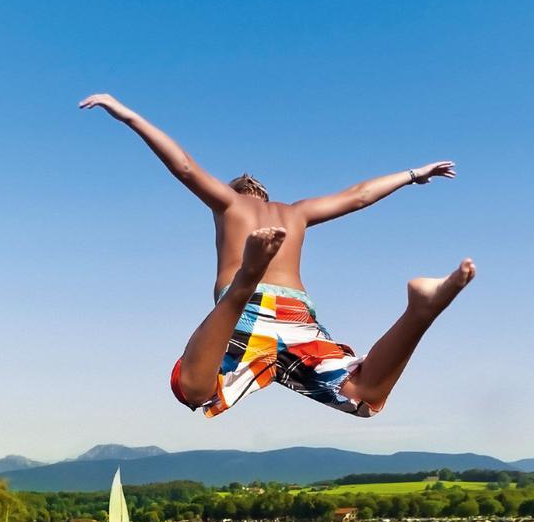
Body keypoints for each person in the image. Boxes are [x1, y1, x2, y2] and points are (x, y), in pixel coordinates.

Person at [79, 93, 476, 418]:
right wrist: (412, 174)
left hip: (246, 308)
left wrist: (127, 114)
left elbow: (182, 166)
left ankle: (246, 279)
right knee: (362, 394)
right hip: (297, 314)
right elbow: (358, 196)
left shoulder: (228, 204)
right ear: (267, 198)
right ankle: (421, 310)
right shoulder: (296, 212)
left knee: (193, 390)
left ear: (235, 193)